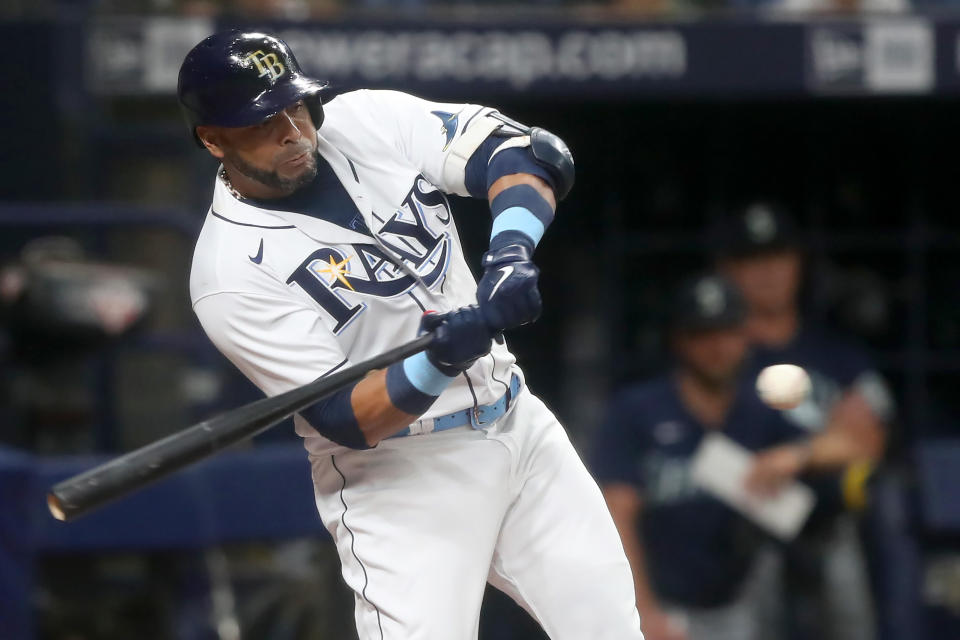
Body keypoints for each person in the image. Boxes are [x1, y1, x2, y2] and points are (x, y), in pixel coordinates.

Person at [178, 31, 643, 640]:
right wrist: (439, 362)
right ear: (212, 140)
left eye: (294, 106)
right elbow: (348, 418)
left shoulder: (369, 120)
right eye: (261, 122)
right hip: (402, 478)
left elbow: (526, 154)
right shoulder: (229, 274)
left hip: (518, 424)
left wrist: (511, 250)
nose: (291, 131)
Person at [592, 273, 813, 640]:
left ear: (745, 335)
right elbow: (617, 514)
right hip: (664, 608)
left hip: (743, 604)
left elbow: (852, 443)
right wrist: (642, 611)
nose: (718, 347)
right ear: (679, 340)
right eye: (703, 334)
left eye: (728, 332)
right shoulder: (638, 410)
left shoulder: (762, 409)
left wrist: (798, 454)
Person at [716, 202, 893, 640]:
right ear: (727, 270)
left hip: (830, 524)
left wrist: (799, 454)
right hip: (741, 523)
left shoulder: (838, 355)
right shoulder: (713, 356)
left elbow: (870, 439)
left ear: (798, 263)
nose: (767, 272)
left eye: (777, 257)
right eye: (751, 260)